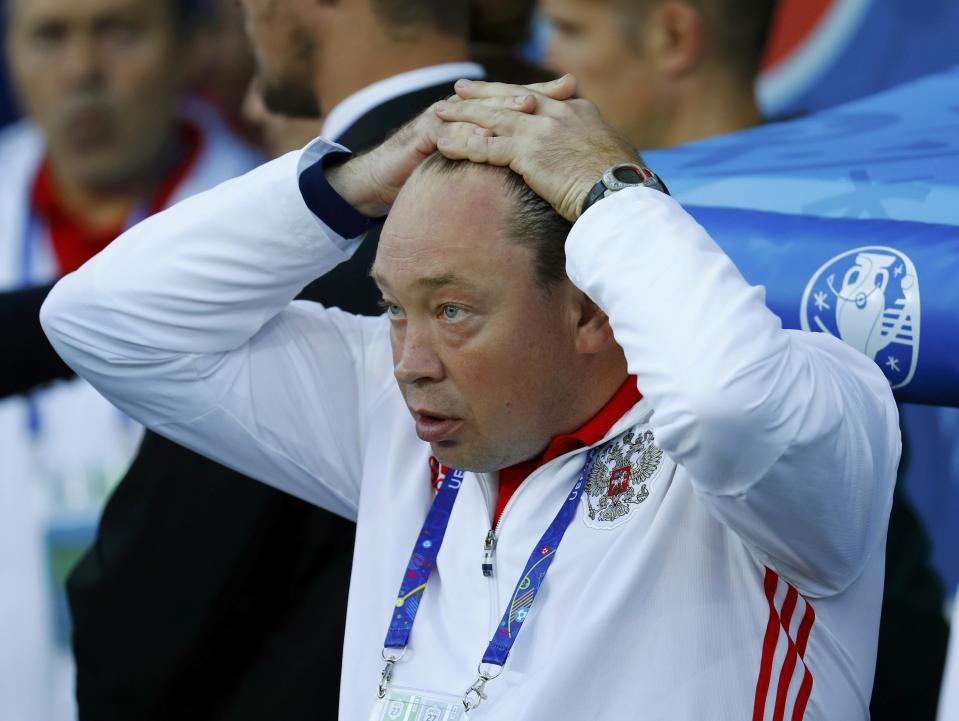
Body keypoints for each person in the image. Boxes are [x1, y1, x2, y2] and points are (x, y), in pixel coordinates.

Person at [42, 76, 900, 720]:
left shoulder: (812, 406)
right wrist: (356, 184)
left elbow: (728, 405)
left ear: (590, 308)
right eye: (392, 306)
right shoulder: (393, 414)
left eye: (454, 309)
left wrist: (607, 193)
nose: (410, 360)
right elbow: (102, 319)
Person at [61, 2, 503, 719]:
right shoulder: (575, 156)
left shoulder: (309, 252)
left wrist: (344, 189)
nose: (416, 358)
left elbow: (150, 614)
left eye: (445, 310)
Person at [539, 1, 952, 715]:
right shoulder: (554, 230)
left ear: (673, 34)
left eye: (570, 31)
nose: (547, 62)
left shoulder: (853, 225)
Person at [0, 0, 259, 718]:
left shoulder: (266, 220)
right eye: (50, 36)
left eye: (119, 30)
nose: (83, 70)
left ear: (192, 47)